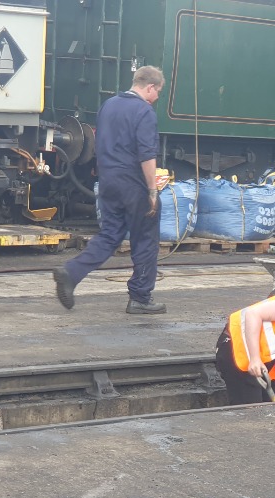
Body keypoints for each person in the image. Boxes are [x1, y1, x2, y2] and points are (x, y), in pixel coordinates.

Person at [53, 66, 166, 314]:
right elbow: (147, 155)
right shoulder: (144, 111)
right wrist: (152, 191)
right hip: (133, 184)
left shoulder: (109, 105)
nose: (157, 97)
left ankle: (71, 273)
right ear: (150, 87)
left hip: (108, 182)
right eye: (158, 91)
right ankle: (140, 298)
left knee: (110, 234)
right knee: (146, 238)